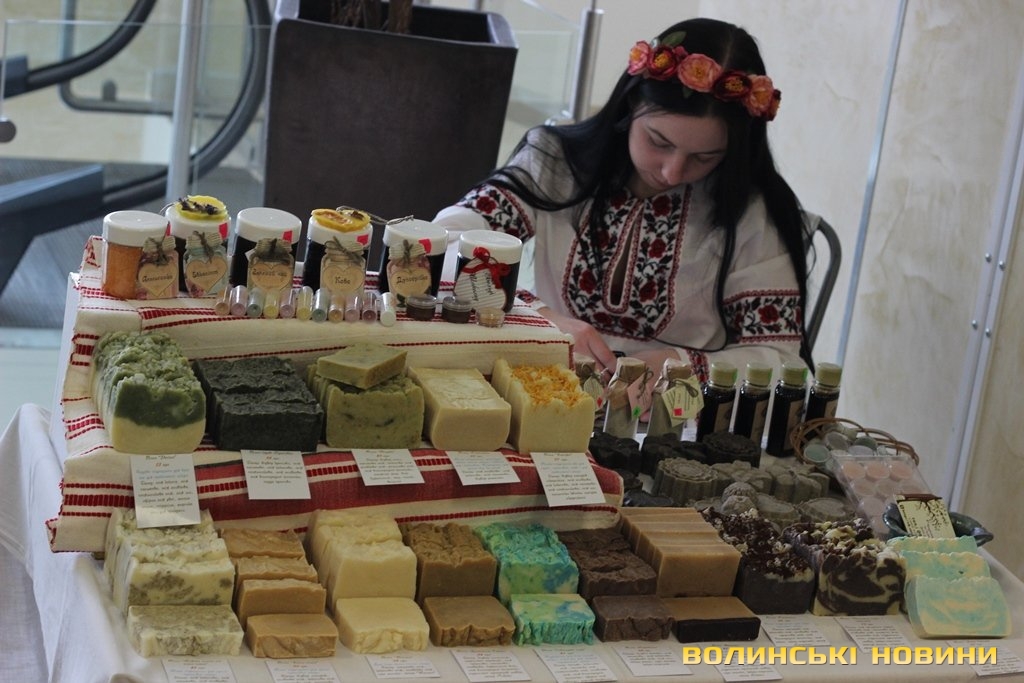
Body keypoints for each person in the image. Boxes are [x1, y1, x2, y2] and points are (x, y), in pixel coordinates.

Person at [434, 17, 812, 382]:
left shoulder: (750, 212)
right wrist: (541, 317)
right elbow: (445, 245)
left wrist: (681, 366)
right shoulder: (556, 165)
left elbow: (780, 359)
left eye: (705, 157)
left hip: (675, 414)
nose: (672, 172)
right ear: (630, 106)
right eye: (658, 142)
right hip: (547, 388)